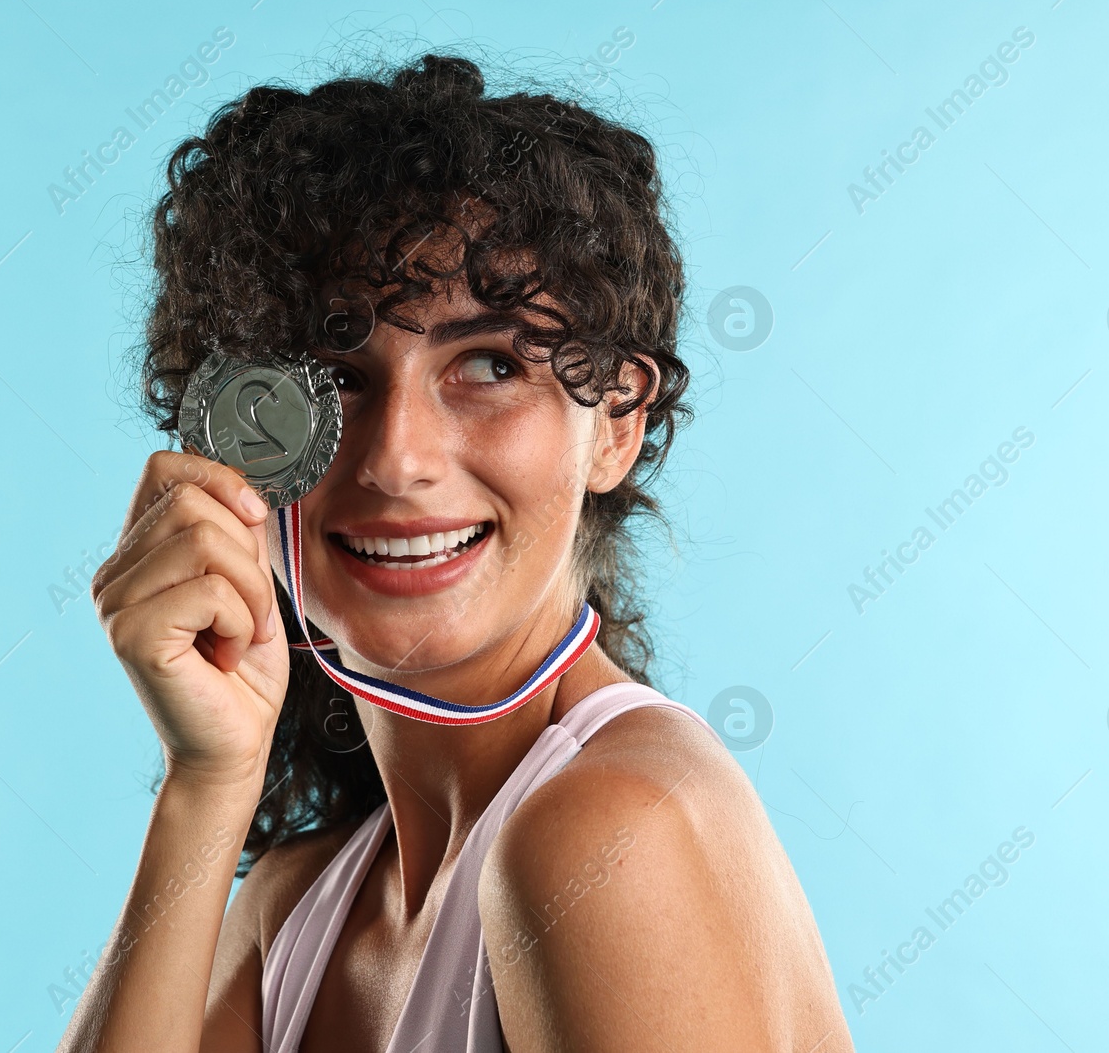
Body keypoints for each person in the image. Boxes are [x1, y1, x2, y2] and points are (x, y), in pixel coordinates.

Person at [56, 53, 853, 1053]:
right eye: (335, 377)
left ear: (613, 422)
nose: (396, 460)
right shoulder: (296, 904)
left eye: (489, 364)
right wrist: (206, 778)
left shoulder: (609, 833)